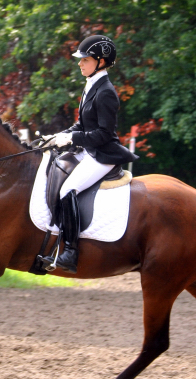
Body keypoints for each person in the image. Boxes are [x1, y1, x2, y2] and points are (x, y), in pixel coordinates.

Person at [41, 35, 139, 274]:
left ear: (101, 62)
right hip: (90, 150)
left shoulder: (106, 92)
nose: (80, 63)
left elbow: (104, 134)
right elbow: (80, 125)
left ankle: (71, 253)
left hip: (102, 155)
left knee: (67, 189)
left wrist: (73, 139)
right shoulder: (91, 85)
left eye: (85, 59)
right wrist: (57, 136)